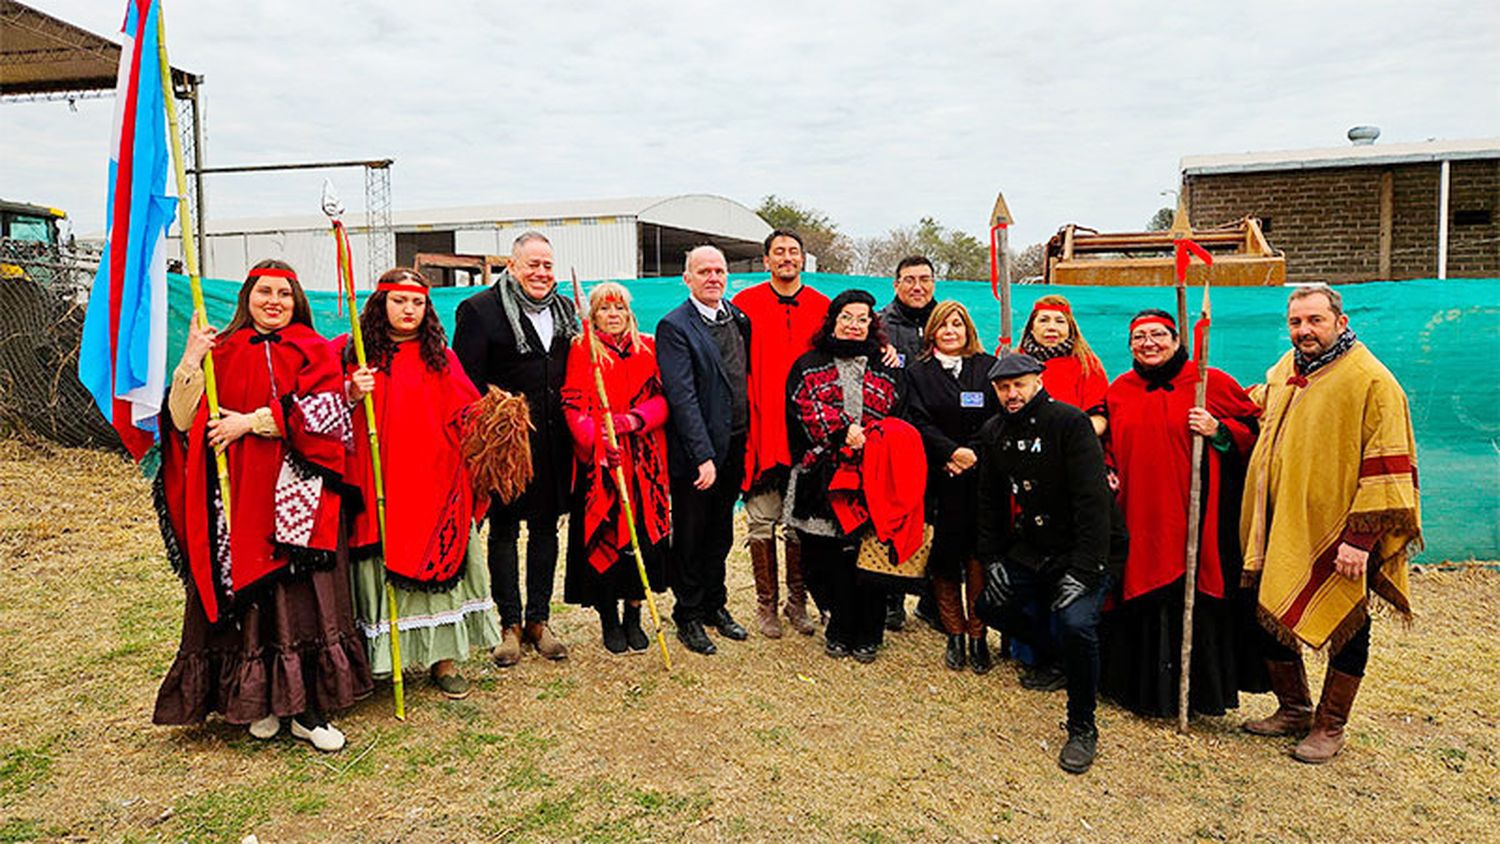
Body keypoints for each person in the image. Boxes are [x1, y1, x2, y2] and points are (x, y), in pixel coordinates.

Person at [152, 259, 370, 752]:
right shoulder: (222, 351)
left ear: (297, 300)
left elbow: (324, 411)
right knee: (252, 596)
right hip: (241, 496)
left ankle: (307, 711)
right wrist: (190, 359)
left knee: (304, 598)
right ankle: (261, 702)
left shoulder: (314, 349)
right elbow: (184, 422)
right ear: (247, 296)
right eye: (264, 292)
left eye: (284, 294)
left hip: (304, 498)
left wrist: (250, 422)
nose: (274, 301)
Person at [1240, 285, 1420, 764]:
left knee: (1348, 621)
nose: (1304, 331)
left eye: (1315, 321)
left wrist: (1360, 541)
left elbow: (1388, 467)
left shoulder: (1371, 381)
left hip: (1342, 533)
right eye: (1296, 322)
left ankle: (1330, 725)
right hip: (1283, 524)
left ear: (1340, 322)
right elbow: (1258, 405)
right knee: (1265, 607)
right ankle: (1294, 707)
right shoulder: (1287, 368)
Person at [342, 268, 501, 700]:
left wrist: (496, 422)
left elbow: (467, 411)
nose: (408, 310)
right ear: (381, 304)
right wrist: (349, 391)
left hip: (436, 482)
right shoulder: (353, 355)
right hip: (379, 483)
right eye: (399, 301)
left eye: (416, 302)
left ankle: (443, 660)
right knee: (379, 570)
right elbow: (323, 410)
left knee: (441, 565)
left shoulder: (441, 358)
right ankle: (379, 662)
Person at [1100, 309, 1262, 719]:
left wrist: (1217, 430)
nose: (1148, 343)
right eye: (1139, 338)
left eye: (1158, 335)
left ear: (1176, 340)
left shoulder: (1208, 381)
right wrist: (1108, 471)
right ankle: (1139, 692)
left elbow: (1254, 436)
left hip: (1194, 521)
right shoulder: (1120, 390)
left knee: (1189, 597)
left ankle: (1196, 696)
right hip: (1138, 515)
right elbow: (1108, 446)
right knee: (1138, 594)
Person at [975, 352, 1122, 774]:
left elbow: (1094, 502)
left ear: (1038, 381)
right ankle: (1055, 656)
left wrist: (1086, 569)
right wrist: (992, 559)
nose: (1011, 394)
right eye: (1003, 387)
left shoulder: (1070, 423)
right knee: (990, 605)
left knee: (1077, 623)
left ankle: (1082, 726)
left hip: (1088, 547)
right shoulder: (995, 431)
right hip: (1035, 546)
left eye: (1019, 384)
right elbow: (989, 503)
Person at [454, 232, 578, 666]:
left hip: (555, 441)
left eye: (547, 265)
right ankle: (508, 624)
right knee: (504, 531)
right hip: (506, 447)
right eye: (533, 264)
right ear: (513, 265)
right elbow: (465, 380)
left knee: (546, 529)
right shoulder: (480, 310)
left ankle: (538, 621)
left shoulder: (567, 311)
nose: (541, 273)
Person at [784, 289, 911, 664]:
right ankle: (838, 625)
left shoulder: (887, 365)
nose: (855, 325)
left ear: (873, 323)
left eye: (863, 318)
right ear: (833, 320)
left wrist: (870, 436)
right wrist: (841, 431)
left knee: (867, 555)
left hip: (874, 472)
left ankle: (868, 632)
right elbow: (800, 407)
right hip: (821, 472)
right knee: (824, 557)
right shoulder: (808, 363)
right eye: (847, 317)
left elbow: (899, 412)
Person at [561, 282, 672, 656]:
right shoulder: (582, 349)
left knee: (641, 536)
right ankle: (609, 615)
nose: (613, 315)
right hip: (601, 462)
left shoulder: (648, 347)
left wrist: (633, 421)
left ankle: (634, 614)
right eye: (605, 309)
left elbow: (662, 399)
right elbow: (572, 405)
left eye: (619, 309)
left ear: (629, 313)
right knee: (607, 531)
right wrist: (599, 441)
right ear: (593, 315)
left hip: (644, 459)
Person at [730, 229, 830, 638]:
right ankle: (765, 605)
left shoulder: (823, 306)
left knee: (798, 524)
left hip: (806, 430)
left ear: (803, 260)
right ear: (766, 260)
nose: (787, 258)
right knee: (762, 520)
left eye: (794, 252)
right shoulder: (744, 304)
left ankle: (797, 602)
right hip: (762, 423)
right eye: (779, 252)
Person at [656, 245, 752, 655]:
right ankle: (688, 614)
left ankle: (716, 604)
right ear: (687, 278)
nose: (713, 277)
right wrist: (702, 456)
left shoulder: (738, 319)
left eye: (719, 271)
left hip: (735, 442)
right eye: (704, 271)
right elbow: (682, 397)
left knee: (722, 532)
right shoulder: (674, 326)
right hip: (699, 453)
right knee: (692, 535)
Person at [905, 300, 1000, 673]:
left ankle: (978, 636)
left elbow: (997, 416)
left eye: (957, 324)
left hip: (980, 476)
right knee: (945, 557)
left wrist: (973, 453)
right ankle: (954, 634)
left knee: (977, 557)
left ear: (968, 329)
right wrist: (949, 452)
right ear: (932, 332)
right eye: (943, 325)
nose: (950, 331)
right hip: (939, 476)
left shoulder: (987, 367)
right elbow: (916, 419)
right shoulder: (917, 372)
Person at [877, 256, 939, 631]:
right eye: (909, 280)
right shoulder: (881, 325)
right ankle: (891, 597)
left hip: (939, 434)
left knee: (937, 517)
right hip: (897, 435)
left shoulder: (946, 320)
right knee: (894, 514)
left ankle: (933, 598)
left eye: (925, 279)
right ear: (896, 284)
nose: (918, 286)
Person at [1019, 294, 1109, 435]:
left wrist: (1073, 436)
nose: (1052, 327)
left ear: (1070, 329)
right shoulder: (1015, 362)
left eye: (1060, 321)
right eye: (1043, 320)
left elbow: (1098, 417)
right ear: (1031, 328)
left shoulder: (1087, 365)